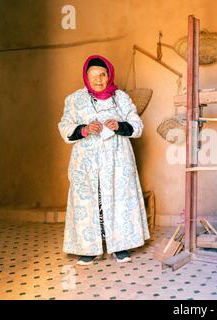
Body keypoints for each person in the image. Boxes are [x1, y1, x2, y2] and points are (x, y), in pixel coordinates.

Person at [58, 55, 150, 266]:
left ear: (109, 74)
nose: (98, 80)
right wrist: (84, 129)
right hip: (86, 161)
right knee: (90, 199)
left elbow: (137, 124)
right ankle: (88, 248)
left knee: (118, 197)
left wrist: (120, 125)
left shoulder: (121, 98)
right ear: (86, 77)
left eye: (102, 74)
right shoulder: (74, 100)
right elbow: (64, 126)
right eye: (93, 76)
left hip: (117, 159)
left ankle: (120, 246)